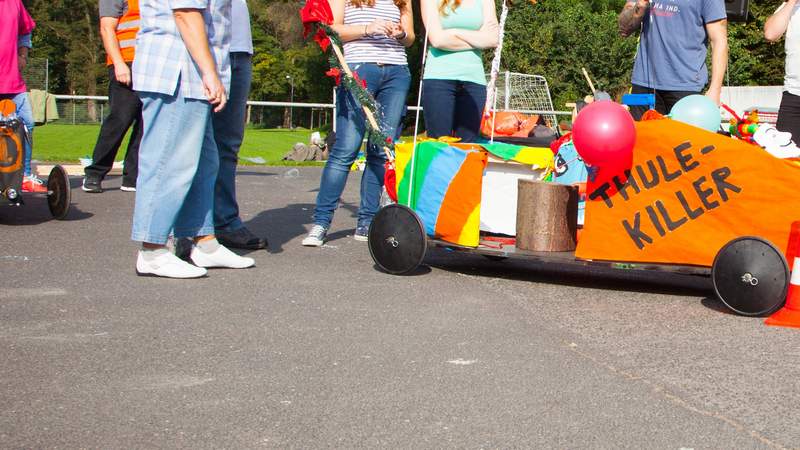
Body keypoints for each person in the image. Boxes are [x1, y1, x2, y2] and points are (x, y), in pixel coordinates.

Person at [131, 0, 254, 279]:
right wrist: (210, 72)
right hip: (178, 69)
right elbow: (185, 12)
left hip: (193, 73)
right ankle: (152, 248)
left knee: (204, 161)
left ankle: (204, 242)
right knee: (169, 162)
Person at [302, 0, 414, 246]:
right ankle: (321, 221)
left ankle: (367, 221)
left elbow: (411, 38)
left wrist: (401, 33)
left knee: (380, 151)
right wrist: (368, 28)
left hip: (396, 72)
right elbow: (332, 29)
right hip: (358, 68)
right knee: (345, 149)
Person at [212, 0, 268, 250]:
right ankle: (185, 229)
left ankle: (224, 223)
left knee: (228, 145)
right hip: (207, 48)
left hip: (239, 51)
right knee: (193, 146)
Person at [618, 0, 728, 120]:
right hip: (644, 83)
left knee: (682, 138)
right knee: (643, 138)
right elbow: (624, 28)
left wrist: (715, 90)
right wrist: (640, 7)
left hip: (685, 86)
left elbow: (719, 40)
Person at [82, 0, 143, 193]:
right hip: (126, 60)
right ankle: (95, 173)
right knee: (120, 118)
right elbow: (107, 28)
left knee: (147, 123)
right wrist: (118, 63)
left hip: (153, 62)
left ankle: (132, 177)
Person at [419, 0, 498, 143]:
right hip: (438, 79)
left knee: (468, 148)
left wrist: (453, 32)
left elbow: (492, 39)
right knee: (438, 146)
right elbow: (437, 40)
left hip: (474, 81)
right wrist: (477, 38)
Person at [0, 0, 46, 193]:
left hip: (11, 79)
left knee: (26, 123)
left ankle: (24, 176)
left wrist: (23, 55)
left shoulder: (13, 2)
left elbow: (25, 30)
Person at [765, 0, 800, 143]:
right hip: (794, 95)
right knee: (784, 158)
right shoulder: (791, 7)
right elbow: (770, 34)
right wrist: (791, 2)